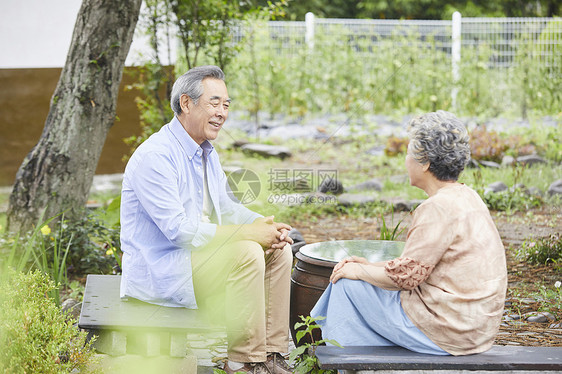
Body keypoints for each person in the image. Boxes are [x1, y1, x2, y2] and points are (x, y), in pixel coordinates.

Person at [119, 65, 294, 374]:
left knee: (280, 251)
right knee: (247, 251)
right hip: (164, 272)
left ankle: (270, 355)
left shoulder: (206, 152)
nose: (222, 113)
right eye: (215, 103)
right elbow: (178, 231)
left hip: (200, 263)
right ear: (186, 103)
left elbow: (227, 205)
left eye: (226, 105)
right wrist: (248, 234)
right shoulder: (156, 157)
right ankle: (242, 362)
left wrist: (264, 226)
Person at [311, 110, 507, 356]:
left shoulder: (436, 207)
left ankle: (348, 363)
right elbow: (420, 265)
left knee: (346, 285)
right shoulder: (467, 196)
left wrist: (360, 271)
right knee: (356, 278)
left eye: (408, 153)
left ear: (425, 162)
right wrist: (370, 266)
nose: (405, 161)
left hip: (450, 329)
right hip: (476, 328)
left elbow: (405, 278)